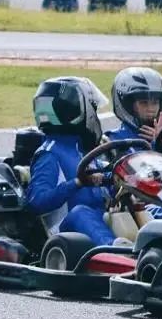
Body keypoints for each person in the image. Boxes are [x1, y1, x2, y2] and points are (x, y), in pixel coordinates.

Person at [24, 76, 126, 247]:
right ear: (76, 113)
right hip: (64, 238)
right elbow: (37, 201)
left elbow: (101, 173)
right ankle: (116, 252)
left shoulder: (81, 150)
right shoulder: (49, 154)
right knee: (80, 213)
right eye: (93, 109)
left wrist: (121, 177)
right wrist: (77, 183)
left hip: (96, 223)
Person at [107, 66, 162, 184]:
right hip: (146, 200)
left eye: (155, 102)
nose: (151, 109)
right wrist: (155, 147)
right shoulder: (113, 140)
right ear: (127, 105)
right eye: (144, 103)